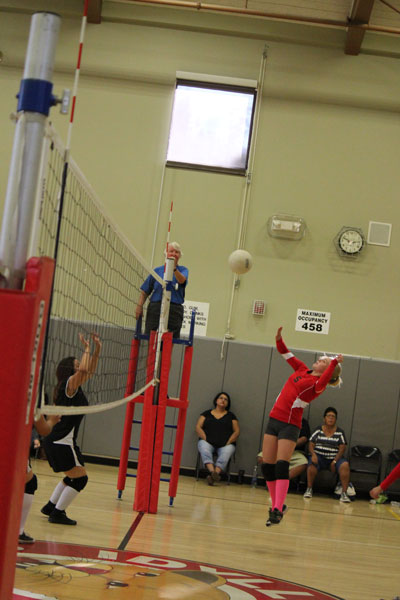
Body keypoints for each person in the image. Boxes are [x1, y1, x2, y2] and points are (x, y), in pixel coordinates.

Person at [262, 327, 343, 526]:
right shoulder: (301, 369)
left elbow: (325, 378)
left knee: (282, 466)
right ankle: (277, 505)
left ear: (328, 371)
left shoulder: (318, 385)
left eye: (323, 361)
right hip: (274, 420)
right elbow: (285, 353)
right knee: (267, 466)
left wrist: (333, 363)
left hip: (290, 425)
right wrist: (279, 339)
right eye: (322, 359)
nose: (320, 360)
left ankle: (277, 509)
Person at [41, 332, 101, 525]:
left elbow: (88, 370)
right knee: (80, 479)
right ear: (70, 370)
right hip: (61, 441)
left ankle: (51, 506)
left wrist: (97, 349)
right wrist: (86, 349)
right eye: (76, 364)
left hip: (60, 441)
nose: (80, 367)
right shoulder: (69, 385)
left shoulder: (73, 385)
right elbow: (84, 371)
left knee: (72, 475)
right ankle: (57, 513)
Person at [19, 414, 60, 544]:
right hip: (13, 444)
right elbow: (44, 429)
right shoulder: (30, 398)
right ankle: (18, 531)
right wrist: (53, 420)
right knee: (29, 483)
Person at [135, 241, 188, 339]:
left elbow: (182, 281)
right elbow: (144, 291)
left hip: (174, 310)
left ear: (179, 255)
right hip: (156, 308)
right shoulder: (157, 271)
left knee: (169, 341)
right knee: (152, 339)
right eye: (171, 251)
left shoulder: (183, 270)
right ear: (166, 254)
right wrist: (139, 306)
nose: (174, 254)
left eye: (177, 252)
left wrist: (174, 268)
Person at [303, 406, 351, 502]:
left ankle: (344, 494)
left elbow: (342, 448)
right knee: (312, 464)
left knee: (345, 465)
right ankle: (309, 489)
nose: (330, 418)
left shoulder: (340, 432)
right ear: (324, 418)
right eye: (328, 416)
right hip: (319, 457)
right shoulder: (318, 430)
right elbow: (311, 444)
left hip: (334, 458)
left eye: (333, 416)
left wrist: (334, 461)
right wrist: (313, 454)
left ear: (336, 419)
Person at [195, 392, 240, 485]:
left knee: (227, 452)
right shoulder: (206, 413)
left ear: (228, 403)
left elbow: (237, 431)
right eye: (221, 398)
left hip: (225, 444)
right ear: (216, 400)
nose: (223, 400)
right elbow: (198, 427)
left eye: (225, 399)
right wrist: (205, 438)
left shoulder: (231, 416)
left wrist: (228, 442)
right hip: (208, 442)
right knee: (204, 448)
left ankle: (214, 475)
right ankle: (213, 473)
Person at [257, 417, 311, 482]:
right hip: (276, 449)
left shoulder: (302, 422)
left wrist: (288, 445)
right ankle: (272, 479)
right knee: (261, 457)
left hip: (294, 451)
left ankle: (281, 481)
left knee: (303, 463)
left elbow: (304, 438)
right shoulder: (277, 419)